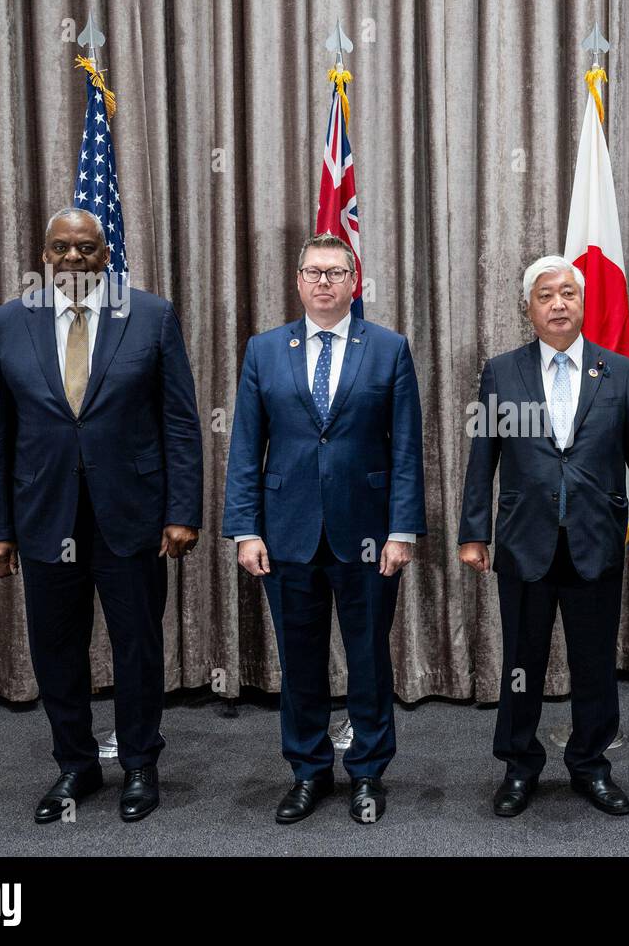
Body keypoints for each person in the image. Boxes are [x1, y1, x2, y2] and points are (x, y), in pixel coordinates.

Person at [0, 207, 202, 823]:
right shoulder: (8, 322)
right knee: (56, 649)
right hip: (44, 516)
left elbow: (181, 423)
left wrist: (183, 511)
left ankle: (138, 763)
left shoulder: (150, 314)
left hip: (131, 514)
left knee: (137, 645)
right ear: (45, 256)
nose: (73, 258)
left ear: (107, 254)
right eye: (61, 249)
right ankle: (76, 764)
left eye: (86, 248)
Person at [223, 232, 426, 825]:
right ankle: (308, 771)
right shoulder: (264, 349)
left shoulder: (388, 349)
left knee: (368, 659)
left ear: (352, 282)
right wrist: (244, 529)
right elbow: (245, 448)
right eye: (313, 272)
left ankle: (367, 772)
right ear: (297, 280)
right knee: (299, 662)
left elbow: (407, 448)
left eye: (335, 273)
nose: (323, 282)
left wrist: (402, 530)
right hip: (284, 535)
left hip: (367, 536)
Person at [458, 255, 629, 818]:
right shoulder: (503, 371)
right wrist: (473, 532)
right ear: (529, 308)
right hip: (525, 541)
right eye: (545, 295)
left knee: (595, 662)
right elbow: (484, 458)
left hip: (597, 540)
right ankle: (520, 766)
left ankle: (591, 765)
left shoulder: (618, 372)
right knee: (521, 661)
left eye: (568, 293)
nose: (558, 304)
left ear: (583, 302)